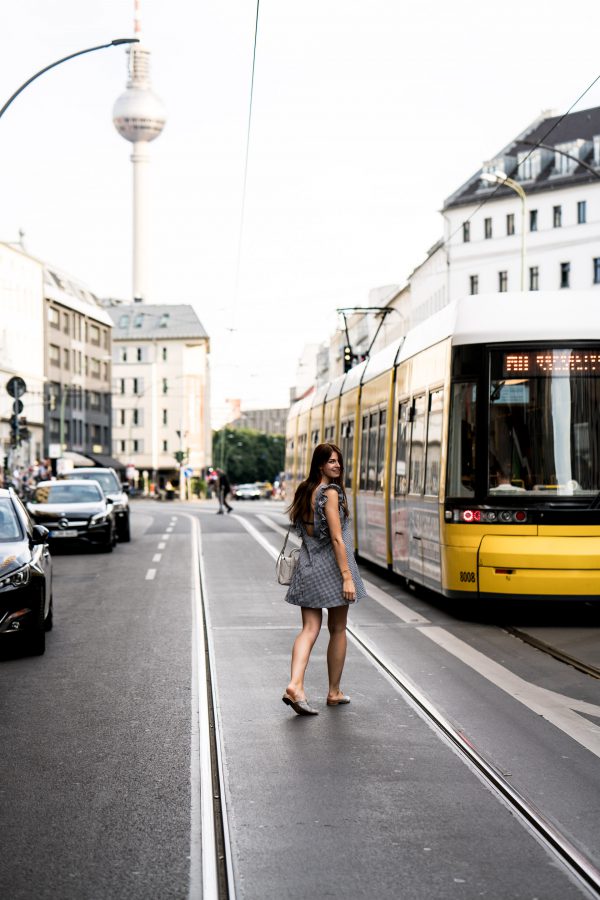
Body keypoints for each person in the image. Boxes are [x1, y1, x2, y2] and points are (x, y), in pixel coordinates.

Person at [281, 443, 366, 716]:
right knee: (338, 628)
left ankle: (295, 684)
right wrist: (347, 577)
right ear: (320, 464)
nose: (337, 466)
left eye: (339, 461)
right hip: (331, 568)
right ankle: (333, 691)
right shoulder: (330, 493)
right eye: (331, 461)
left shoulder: (305, 491)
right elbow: (337, 538)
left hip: (307, 566)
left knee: (309, 629)